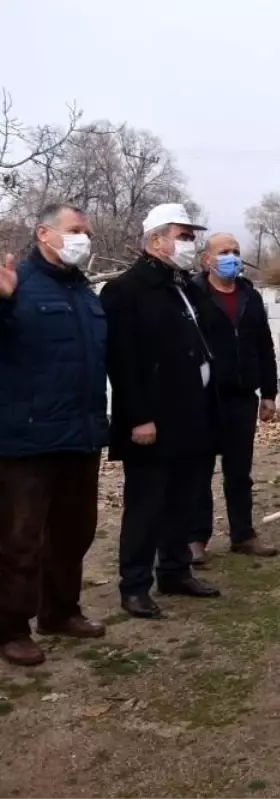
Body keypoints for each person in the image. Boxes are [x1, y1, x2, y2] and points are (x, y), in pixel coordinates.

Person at [101, 203, 222, 620]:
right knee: (147, 505)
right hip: (152, 419)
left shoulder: (183, 286)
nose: (190, 244)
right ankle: (135, 584)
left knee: (183, 500)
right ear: (156, 240)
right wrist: (138, 417)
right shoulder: (125, 291)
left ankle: (175, 570)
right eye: (183, 236)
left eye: (192, 237)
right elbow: (123, 362)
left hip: (191, 413)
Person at [0, 204, 108, 666]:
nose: (84, 238)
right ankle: (9, 628)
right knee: (19, 538)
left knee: (74, 531)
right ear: (44, 233)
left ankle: (61, 611)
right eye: (75, 230)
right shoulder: (16, 285)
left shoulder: (85, 293)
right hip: (26, 439)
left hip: (80, 435)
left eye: (87, 231)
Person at [188, 233, 280, 565]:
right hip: (205, 397)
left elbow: (265, 346)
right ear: (207, 260)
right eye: (224, 252)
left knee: (239, 471)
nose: (232, 257)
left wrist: (269, 393)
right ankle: (196, 537)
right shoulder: (194, 295)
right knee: (200, 469)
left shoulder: (249, 296)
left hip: (243, 396)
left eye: (236, 252)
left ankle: (243, 534)